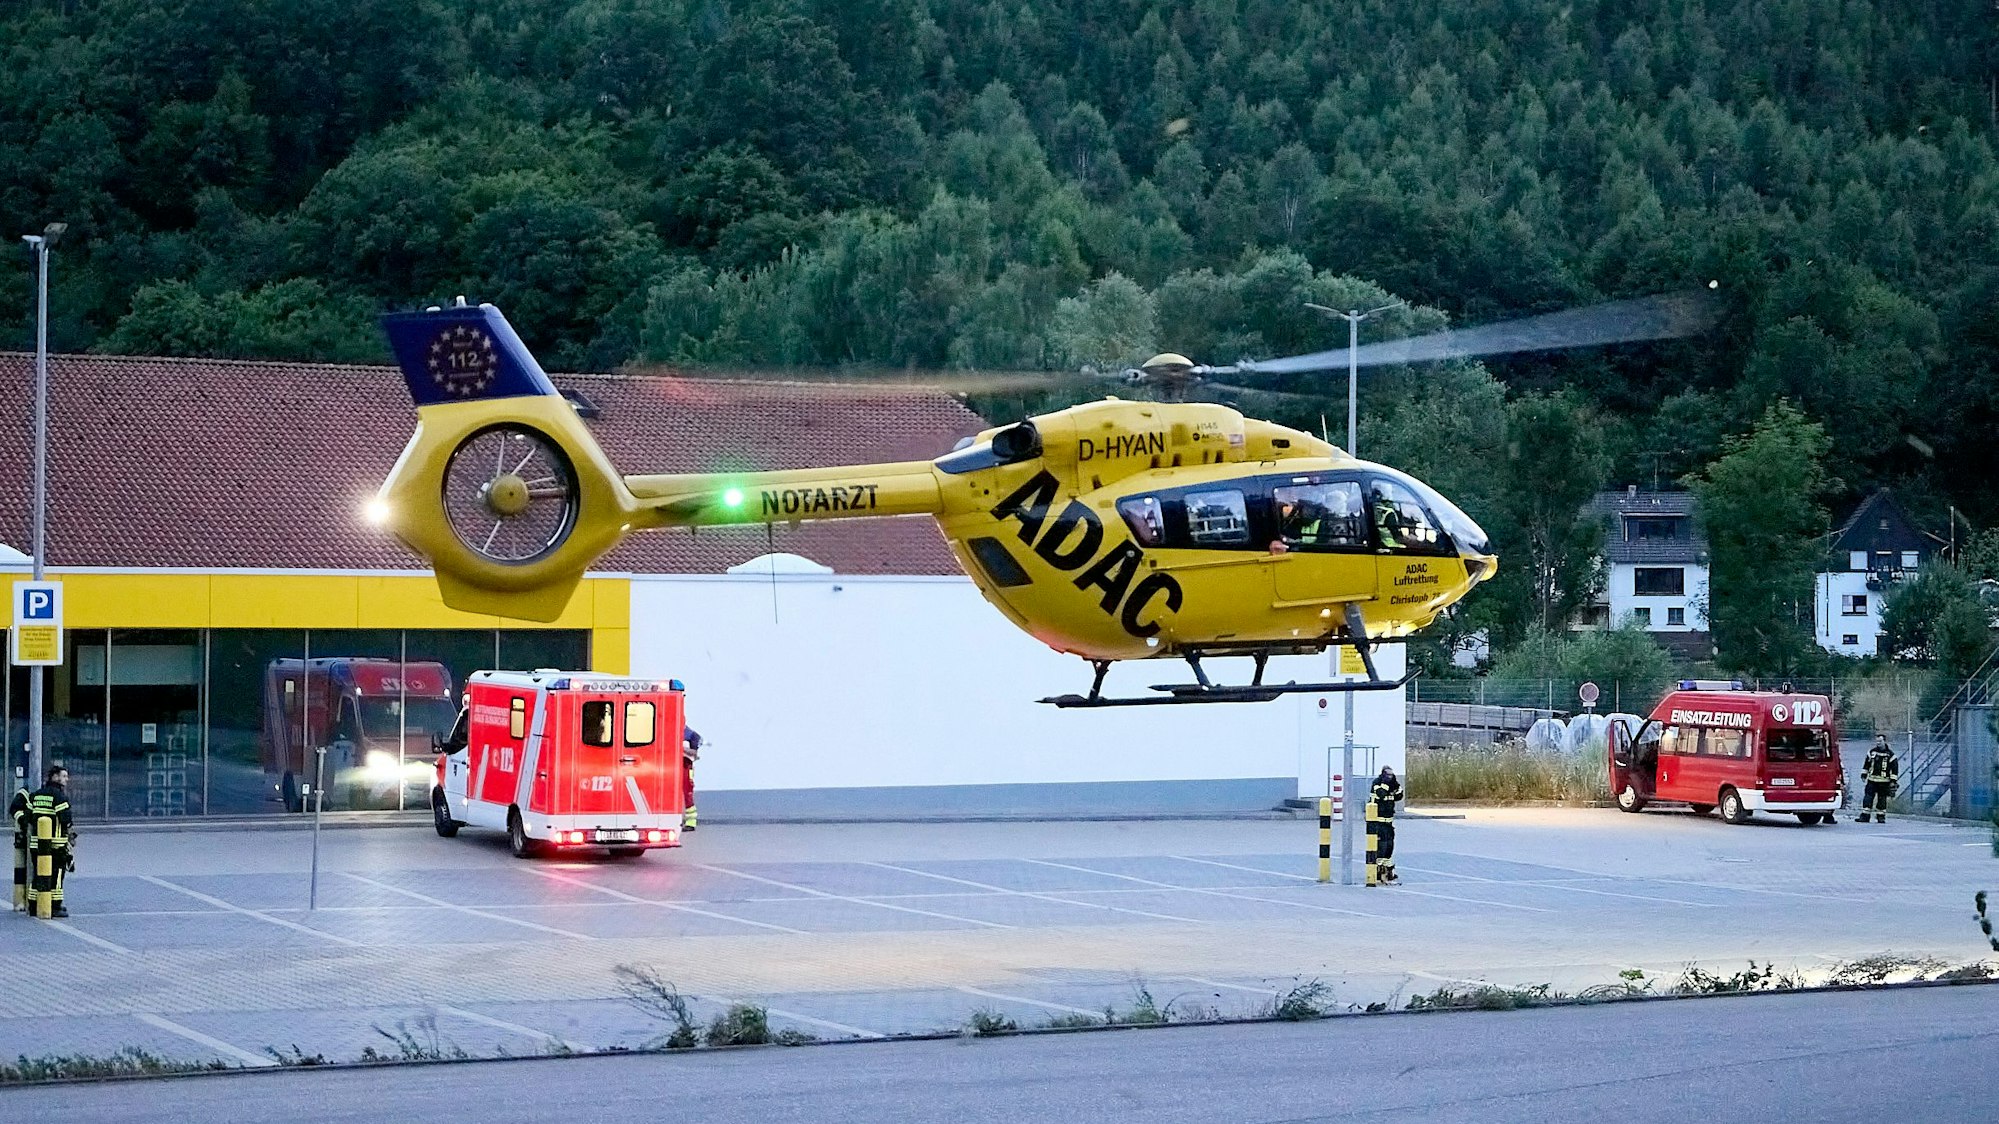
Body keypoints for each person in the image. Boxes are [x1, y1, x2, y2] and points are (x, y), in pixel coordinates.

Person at [25, 764, 73, 919]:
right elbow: (66, 820)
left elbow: (27, 817)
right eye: (64, 776)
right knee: (56, 875)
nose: (67, 779)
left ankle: (33, 905)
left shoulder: (36, 795)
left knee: (38, 874)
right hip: (56, 844)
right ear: (55, 777)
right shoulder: (59, 797)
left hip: (36, 843)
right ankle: (55, 906)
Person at [1855, 734, 1899, 823]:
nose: (1878, 743)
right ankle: (1865, 816)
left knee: (1882, 799)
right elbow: (1866, 764)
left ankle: (1881, 816)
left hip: (1884, 781)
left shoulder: (1891, 755)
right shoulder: (1872, 752)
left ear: (1885, 741)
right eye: (1877, 741)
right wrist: (1864, 775)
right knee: (1868, 798)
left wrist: (1893, 781)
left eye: (1880, 741)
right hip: (1872, 780)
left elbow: (1894, 769)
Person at [1371, 765, 1403, 883]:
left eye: (1391, 775)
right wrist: (1388, 786)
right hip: (1378, 821)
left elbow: (1399, 795)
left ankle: (1388, 870)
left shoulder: (1393, 784)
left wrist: (1393, 786)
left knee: (1389, 845)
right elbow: (1382, 794)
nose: (1390, 777)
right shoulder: (1377, 783)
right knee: (1381, 846)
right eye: (1387, 775)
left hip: (1389, 821)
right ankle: (1378, 870)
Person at [681, 727, 701, 832]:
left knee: (687, 793)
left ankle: (690, 822)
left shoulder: (691, 735)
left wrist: (682, 749)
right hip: (673, 765)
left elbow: (695, 753)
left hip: (685, 765)